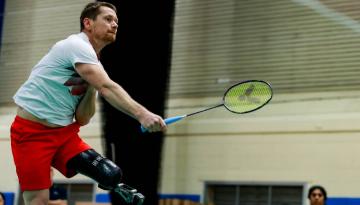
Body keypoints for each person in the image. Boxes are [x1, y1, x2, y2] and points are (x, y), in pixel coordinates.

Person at [10, 2, 166, 205]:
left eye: (116, 21)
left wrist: (92, 87)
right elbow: (108, 87)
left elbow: (83, 118)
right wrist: (142, 114)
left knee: (110, 174)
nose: (115, 24)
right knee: (38, 201)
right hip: (31, 133)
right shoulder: (77, 45)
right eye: (108, 19)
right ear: (88, 23)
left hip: (64, 134)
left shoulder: (93, 63)